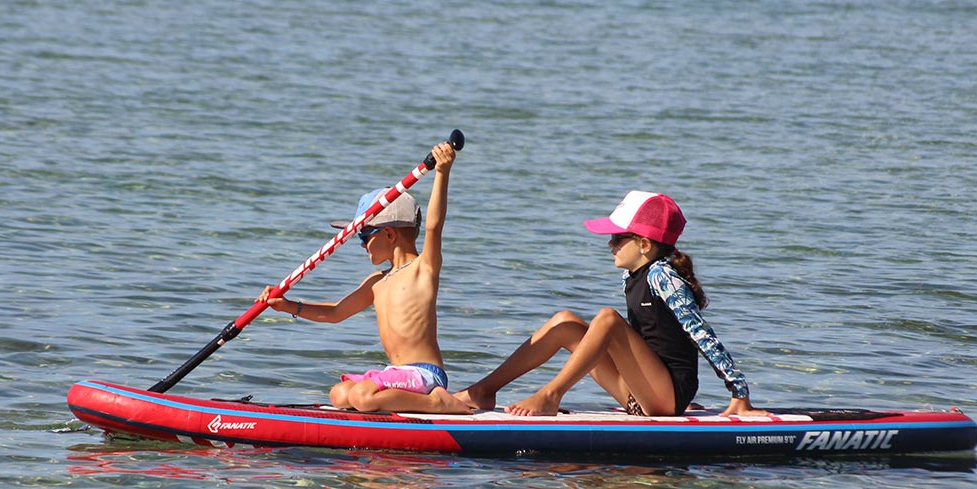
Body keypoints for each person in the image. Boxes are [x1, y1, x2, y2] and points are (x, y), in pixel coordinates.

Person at [454, 190, 767, 418]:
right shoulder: (634, 274)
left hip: (667, 397)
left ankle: (551, 394)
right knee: (565, 322)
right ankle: (483, 391)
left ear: (644, 245)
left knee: (607, 318)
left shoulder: (663, 276)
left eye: (618, 238)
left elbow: (703, 335)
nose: (610, 244)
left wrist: (740, 394)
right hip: (640, 392)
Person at [256, 140, 471, 415]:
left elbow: (434, 226)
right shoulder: (376, 282)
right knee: (340, 394)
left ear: (390, 234)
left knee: (362, 397)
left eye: (364, 236)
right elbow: (335, 312)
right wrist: (287, 306)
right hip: (397, 374)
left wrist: (442, 173)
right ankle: (391, 402)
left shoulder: (423, 269)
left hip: (424, 375)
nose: (360, 245)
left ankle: (438, 402)